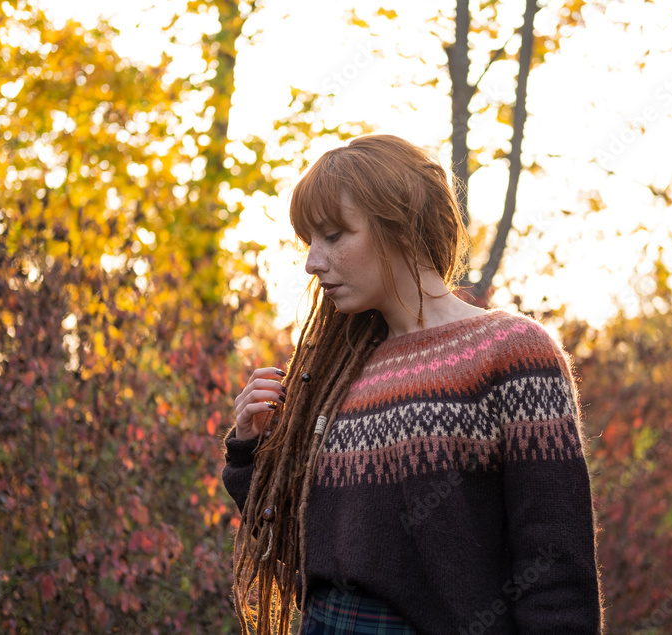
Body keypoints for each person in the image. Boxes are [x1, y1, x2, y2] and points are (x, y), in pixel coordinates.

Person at [221, 134, 602, 634]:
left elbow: (554, 563)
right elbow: (297, 542)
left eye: (333, 235)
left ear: (400, 227)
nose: (313, 262)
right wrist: (250, 449)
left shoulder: (513, 352)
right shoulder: (337, 370)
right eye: (308, 242)